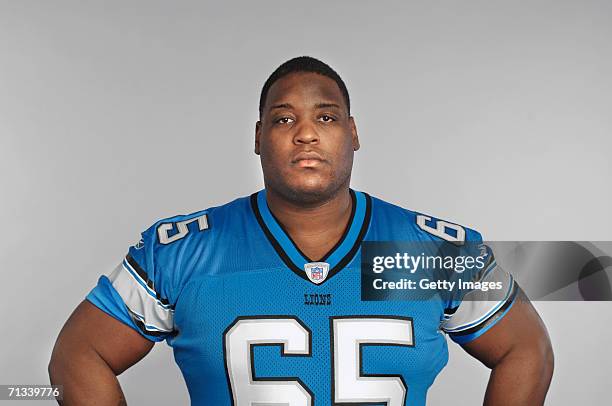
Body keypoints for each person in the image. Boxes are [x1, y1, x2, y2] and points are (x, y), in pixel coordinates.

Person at [49, 56, 554, 405]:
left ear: (353, 133)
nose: (306, 132)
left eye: (327, 117)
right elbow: (79, 354)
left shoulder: (424, 253)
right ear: (258, 137)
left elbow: (525, 347)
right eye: (283, 117)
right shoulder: (187, 251)